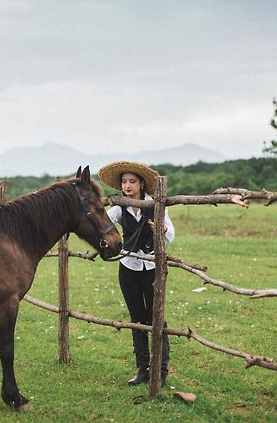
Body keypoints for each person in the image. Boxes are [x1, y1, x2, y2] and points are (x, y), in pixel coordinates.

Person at [98, 161, 175, 386]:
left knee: (156, 318)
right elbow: (102, 221)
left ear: (142, 183)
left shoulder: (156, 204)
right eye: (124, 182)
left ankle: (160, 371)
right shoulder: (119, 207)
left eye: (132, 181)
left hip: (152, 268)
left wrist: (161, 228)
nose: (128, 185)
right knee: (137, 319)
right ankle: (143, 369)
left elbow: (170, 235)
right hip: (128, 269)